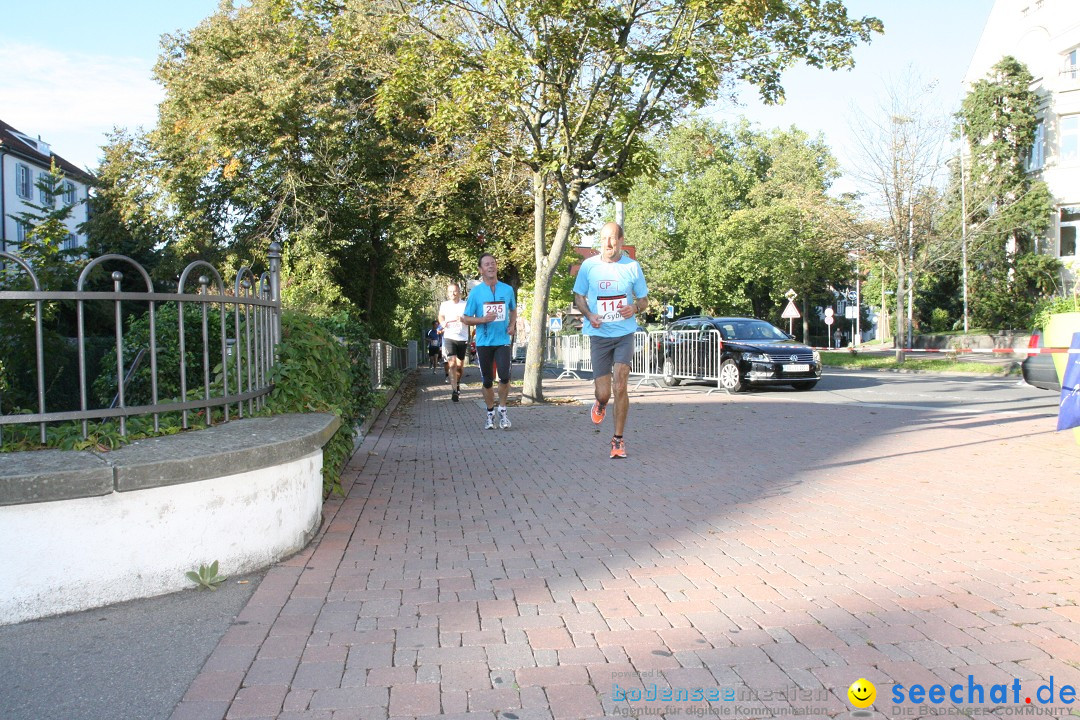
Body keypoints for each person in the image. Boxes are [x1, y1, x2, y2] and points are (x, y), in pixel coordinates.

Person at [573, 222, 648, 459]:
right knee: (604, 392)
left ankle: (618, 440)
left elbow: (644, 301)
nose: (608, 244)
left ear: (621, 241)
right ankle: (601, 404)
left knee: (621, 383)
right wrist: (589, 314)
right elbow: (579, 297)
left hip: (624, 333)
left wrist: (634, 307)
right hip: (599, 335)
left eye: (613, 239)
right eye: (604, 238)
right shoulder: (589, 266)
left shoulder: (632, 267)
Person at [461, 253, 516, 430]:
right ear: (481, 269)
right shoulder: (476, 293)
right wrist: (483, 320)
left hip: (502, 340)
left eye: (493, 263)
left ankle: (503, 410)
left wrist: (512, 325)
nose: (491, 266)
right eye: (486, 264)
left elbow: (513, 310)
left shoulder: (507, 290)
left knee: (505, 377)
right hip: (484, 342)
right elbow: (466, 318)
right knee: (487, 381)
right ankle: (490, 413)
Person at [438, 282, 470, 402]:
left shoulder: (465, 305)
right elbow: (441, 316)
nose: (453, 293)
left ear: (459, 292)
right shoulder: (444, 305)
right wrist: (442, 323)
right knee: (452, 364)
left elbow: (470, 318)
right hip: (449, 336)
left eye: (455, 291)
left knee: (460, 366)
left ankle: (458, 382)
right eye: (450, 291)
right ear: (448, 293)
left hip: (462, 338)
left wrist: (462, 319)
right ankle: (454, 390)